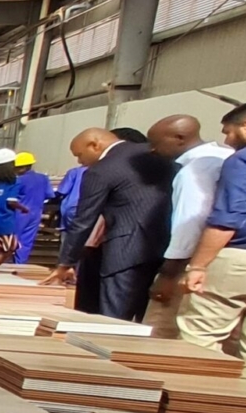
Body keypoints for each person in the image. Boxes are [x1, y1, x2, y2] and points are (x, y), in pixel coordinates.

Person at [40, 127, 176, 320]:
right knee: (146, 317)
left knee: (113, 318)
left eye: (79, 155)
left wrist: (66, 262)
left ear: (94, 145)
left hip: (124, 252)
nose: (80, 162)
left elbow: (83, 220)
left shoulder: (102, 170)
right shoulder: (159, 155)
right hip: (165, 249)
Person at [178, 102, 246, 381]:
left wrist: (198, 266)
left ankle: (194, 408)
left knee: (200, 336)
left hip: (244, 256)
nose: (227, 141)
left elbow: (227, 218)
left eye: (228, 132)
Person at [146, 115, 232, 327]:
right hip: (230, 256)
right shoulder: (228, 156)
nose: (152, 150)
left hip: (193, 262)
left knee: (160, 329)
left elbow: (190, 223)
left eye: (156, 143)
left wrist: (168, 274)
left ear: (180, 137)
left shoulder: (195, 170)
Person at [14, 152, 58, 264]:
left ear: (23, 167)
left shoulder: (18, 180)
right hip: (36, 213)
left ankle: (8, 264)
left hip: (19, 213)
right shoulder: (43, 178)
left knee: (12, 240)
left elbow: (11, 197)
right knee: (26, 242)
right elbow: (50, 194)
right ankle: (20, 264)